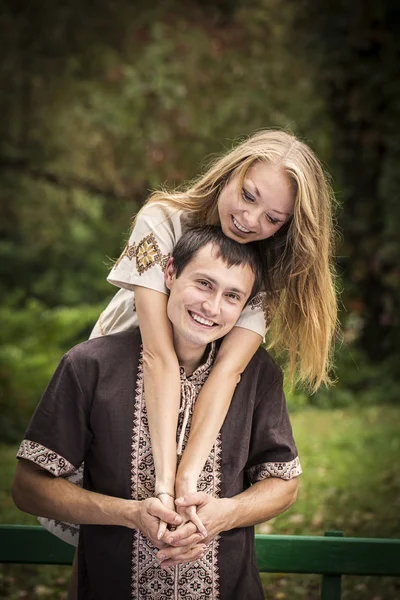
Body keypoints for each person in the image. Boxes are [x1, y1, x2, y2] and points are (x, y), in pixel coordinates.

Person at [41, 128, 337, 544]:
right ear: (229, 174)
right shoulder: (162, 219)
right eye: (248, 196)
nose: (250, 221)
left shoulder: (266, 267)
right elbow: (157, 354)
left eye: (273, 218)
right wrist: (164, 481)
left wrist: (185, 483)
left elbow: (227, 372)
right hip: (127, 369)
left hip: (201, 390)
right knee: (102, 540)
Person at [13, 227, 301, 600]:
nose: (212, 307)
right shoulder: (89, 365)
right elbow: (29, 487)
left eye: (232, 296)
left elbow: (284, 483)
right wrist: (130, 514)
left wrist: (225, 514)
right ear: (169, 273)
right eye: (203, 284)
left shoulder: (257, 374)